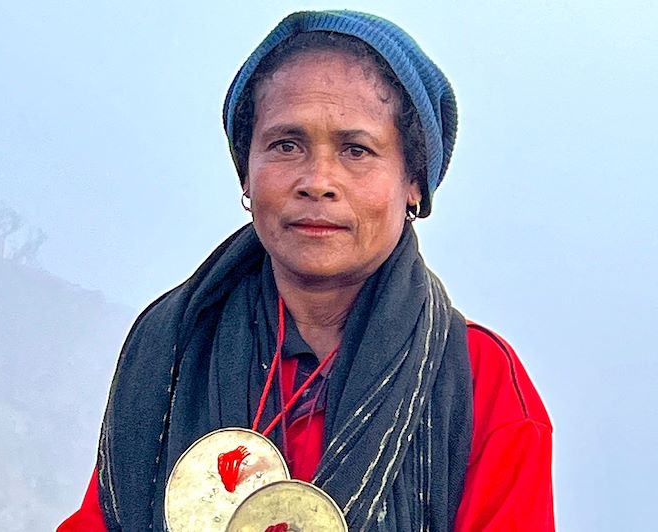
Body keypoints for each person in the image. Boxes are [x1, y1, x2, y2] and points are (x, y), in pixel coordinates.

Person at [59, 10, 553, 532]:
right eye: (286, 145)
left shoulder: (481, 382)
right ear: (246, 174)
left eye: (356, 150)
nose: (318, 181)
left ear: (413, 183)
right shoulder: (175, 350)